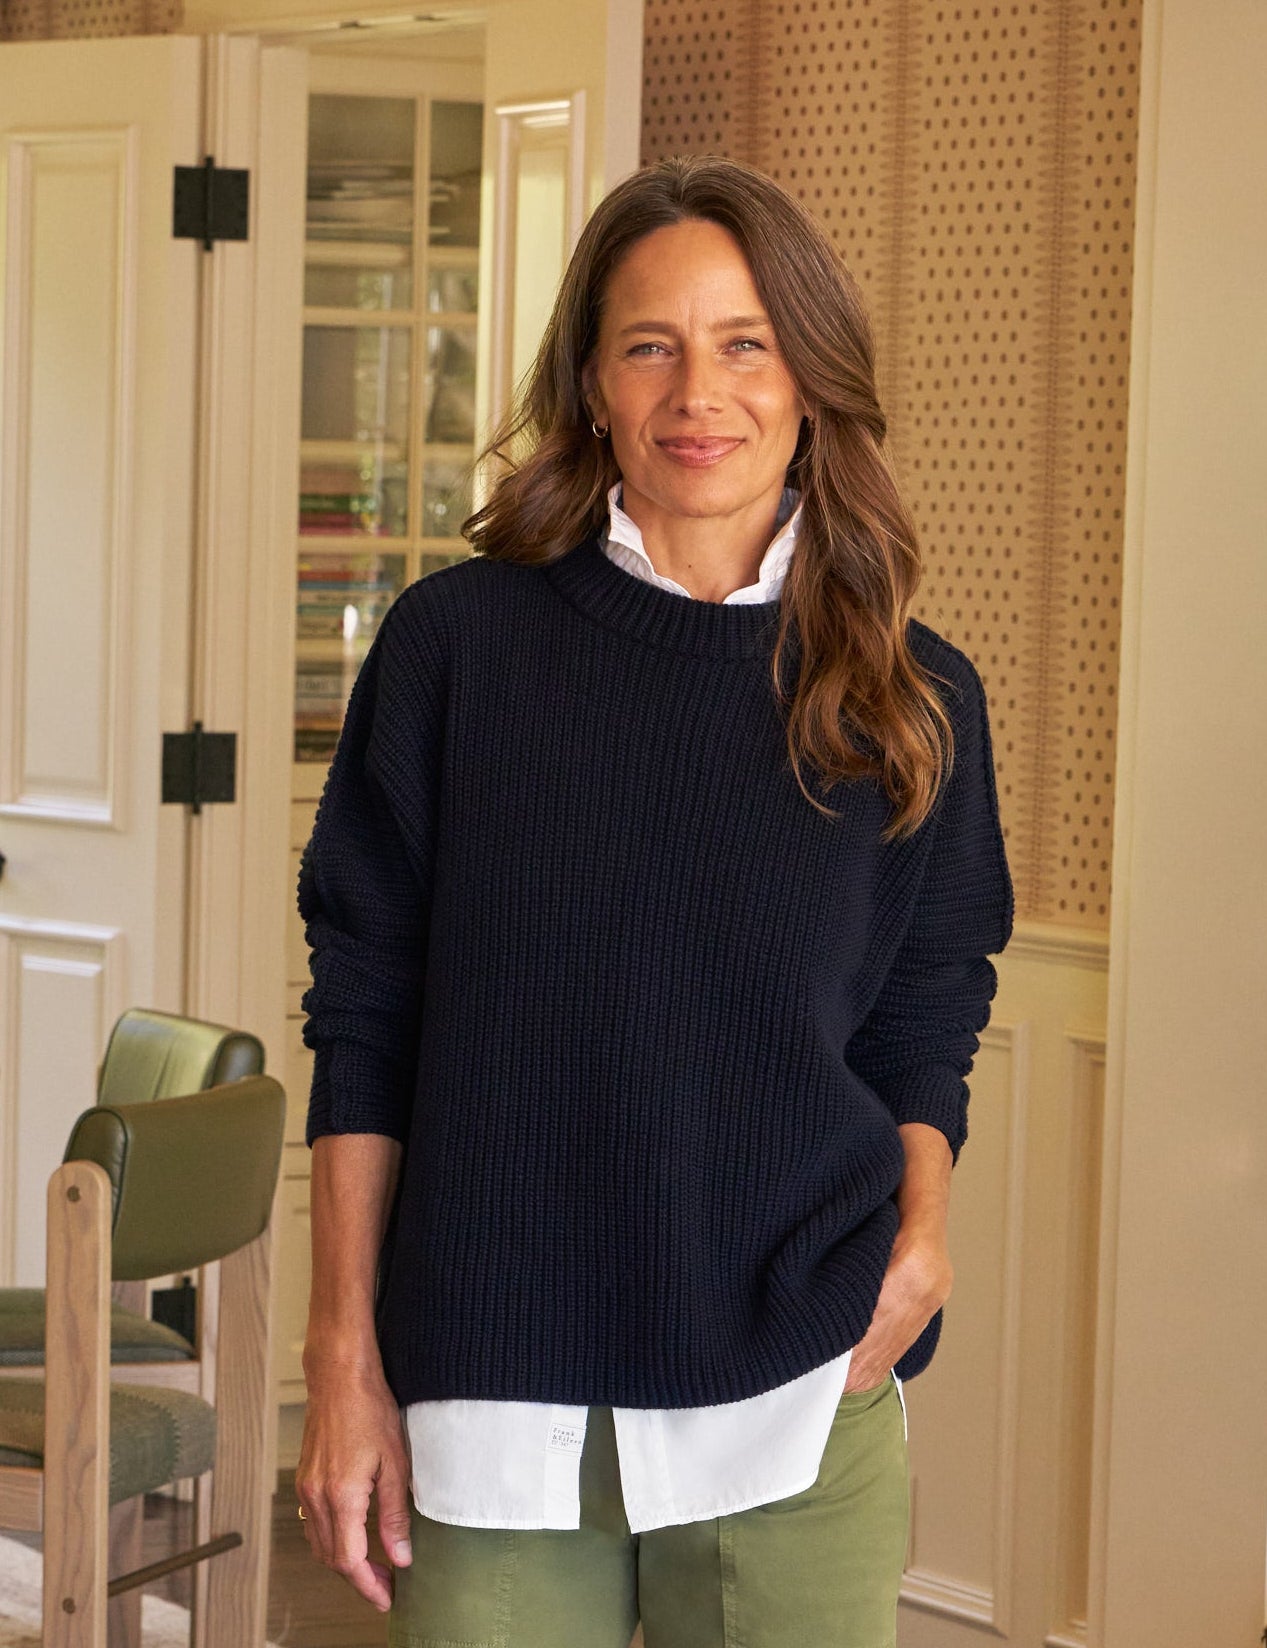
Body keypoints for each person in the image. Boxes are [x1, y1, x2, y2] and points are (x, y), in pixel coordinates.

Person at [295, 154, 1012, 1648]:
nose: (702, 393)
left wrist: (923, 1240)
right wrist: (342, 1354)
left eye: (746, 344)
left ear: (810, 381)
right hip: (495, 1385)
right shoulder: (454, 653)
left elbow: (926, 1014)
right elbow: (365, 1016)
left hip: (799, 1379)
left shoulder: (915, 695)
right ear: (594, 386)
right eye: (652, 345)